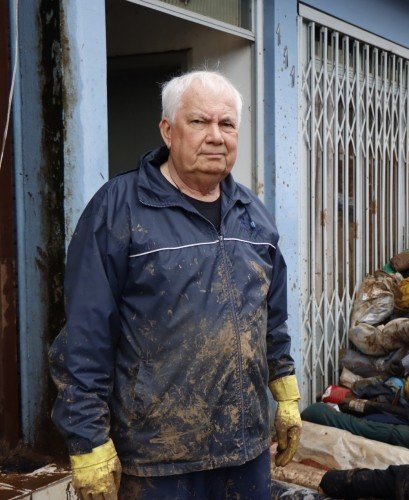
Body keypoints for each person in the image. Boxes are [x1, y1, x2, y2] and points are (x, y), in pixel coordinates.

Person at [49, 71, 301, 499]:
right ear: (168, 130)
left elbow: (271, 319)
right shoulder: (119, 210)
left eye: (227, 124)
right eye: (199, 122)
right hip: (156, 458)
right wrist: (88, 440)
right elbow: (86, 335)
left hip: (245, 449)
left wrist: (287, 396)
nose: (216, 136)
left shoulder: (254, 217)